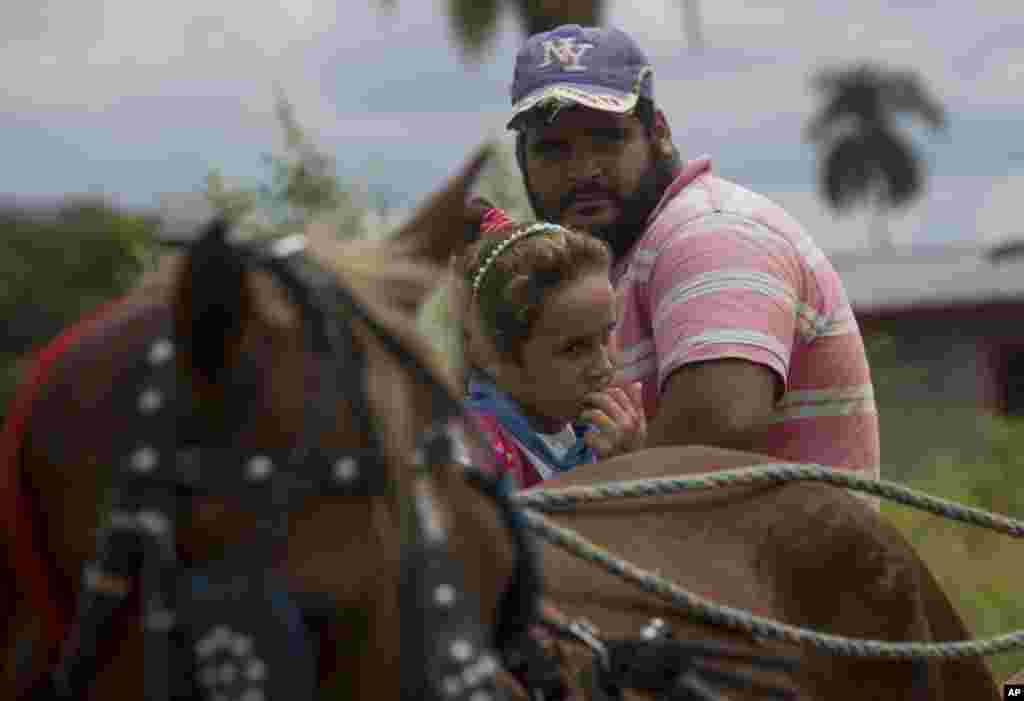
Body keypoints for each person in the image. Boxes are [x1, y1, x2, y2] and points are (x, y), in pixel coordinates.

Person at [503, 24, 881, 484]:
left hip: (783, 554)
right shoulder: (623, 256)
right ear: (522, 158)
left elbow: (723, 421)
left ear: (657, 133)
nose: (583, 171)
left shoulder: (710, 233)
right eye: (552, 149)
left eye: (606, 139)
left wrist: (619, 466)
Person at [452, 212, 645, 489]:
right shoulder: (472, 456)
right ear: (496, 357)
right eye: (575, 348)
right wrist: (613, 479)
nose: (603, 367)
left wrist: (633, 467)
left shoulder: (590, 436)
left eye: (607, 335)